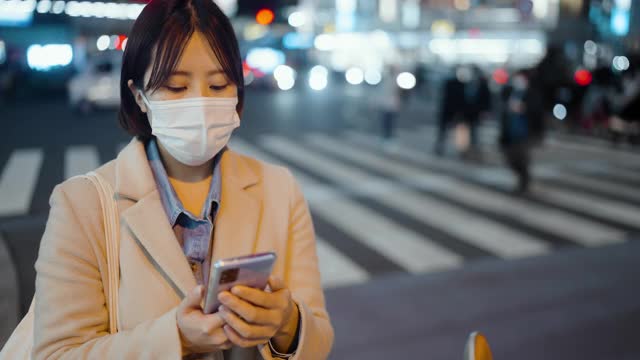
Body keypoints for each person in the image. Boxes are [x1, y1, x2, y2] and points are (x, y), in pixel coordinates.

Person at [30, 1, 334, 359]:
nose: (201, 103)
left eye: (219, 84)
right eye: (176, 87)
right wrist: (177, 338)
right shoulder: (81, 205)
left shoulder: (279, 189)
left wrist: (287, 324)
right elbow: (56, 353)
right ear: (140, 96)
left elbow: (317, 338)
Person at [499, 69, 545, 194]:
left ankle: (524, 182)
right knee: (510, 158)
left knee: (522, 158)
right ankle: (522, 179)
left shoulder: (532, 94)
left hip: (525, 133)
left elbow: (538, 112)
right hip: (510, 132)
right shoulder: (509, 92)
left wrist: (524, 108)